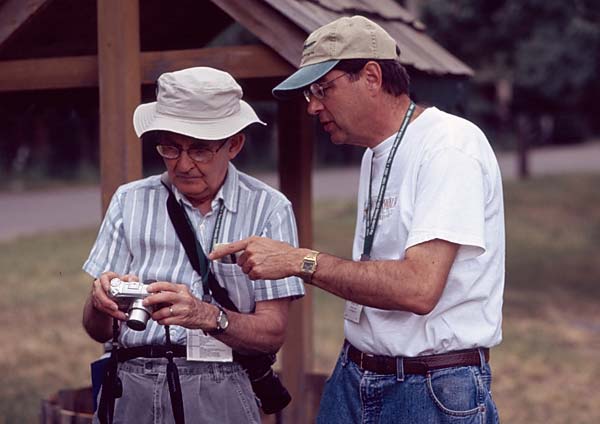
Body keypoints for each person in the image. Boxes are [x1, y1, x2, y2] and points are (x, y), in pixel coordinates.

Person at [210, 15, 504, 423]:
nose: (312, 106)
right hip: (357, 371)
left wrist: (300, 261)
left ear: (370, 76)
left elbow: (419, 289)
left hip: (430, 385)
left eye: (321, 89)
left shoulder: (450, 146)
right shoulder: (374, 154)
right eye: (309, 94)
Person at [82, 66, 304, 424]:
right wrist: (99, 302)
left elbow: (272, 334)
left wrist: (206, 316)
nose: (183, 165)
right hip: (131, 382)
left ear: (234, 144)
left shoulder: (269, 209)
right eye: (170, 147)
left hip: (222, 385)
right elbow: (96, 330)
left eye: (200, 150)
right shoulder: (130, 201)